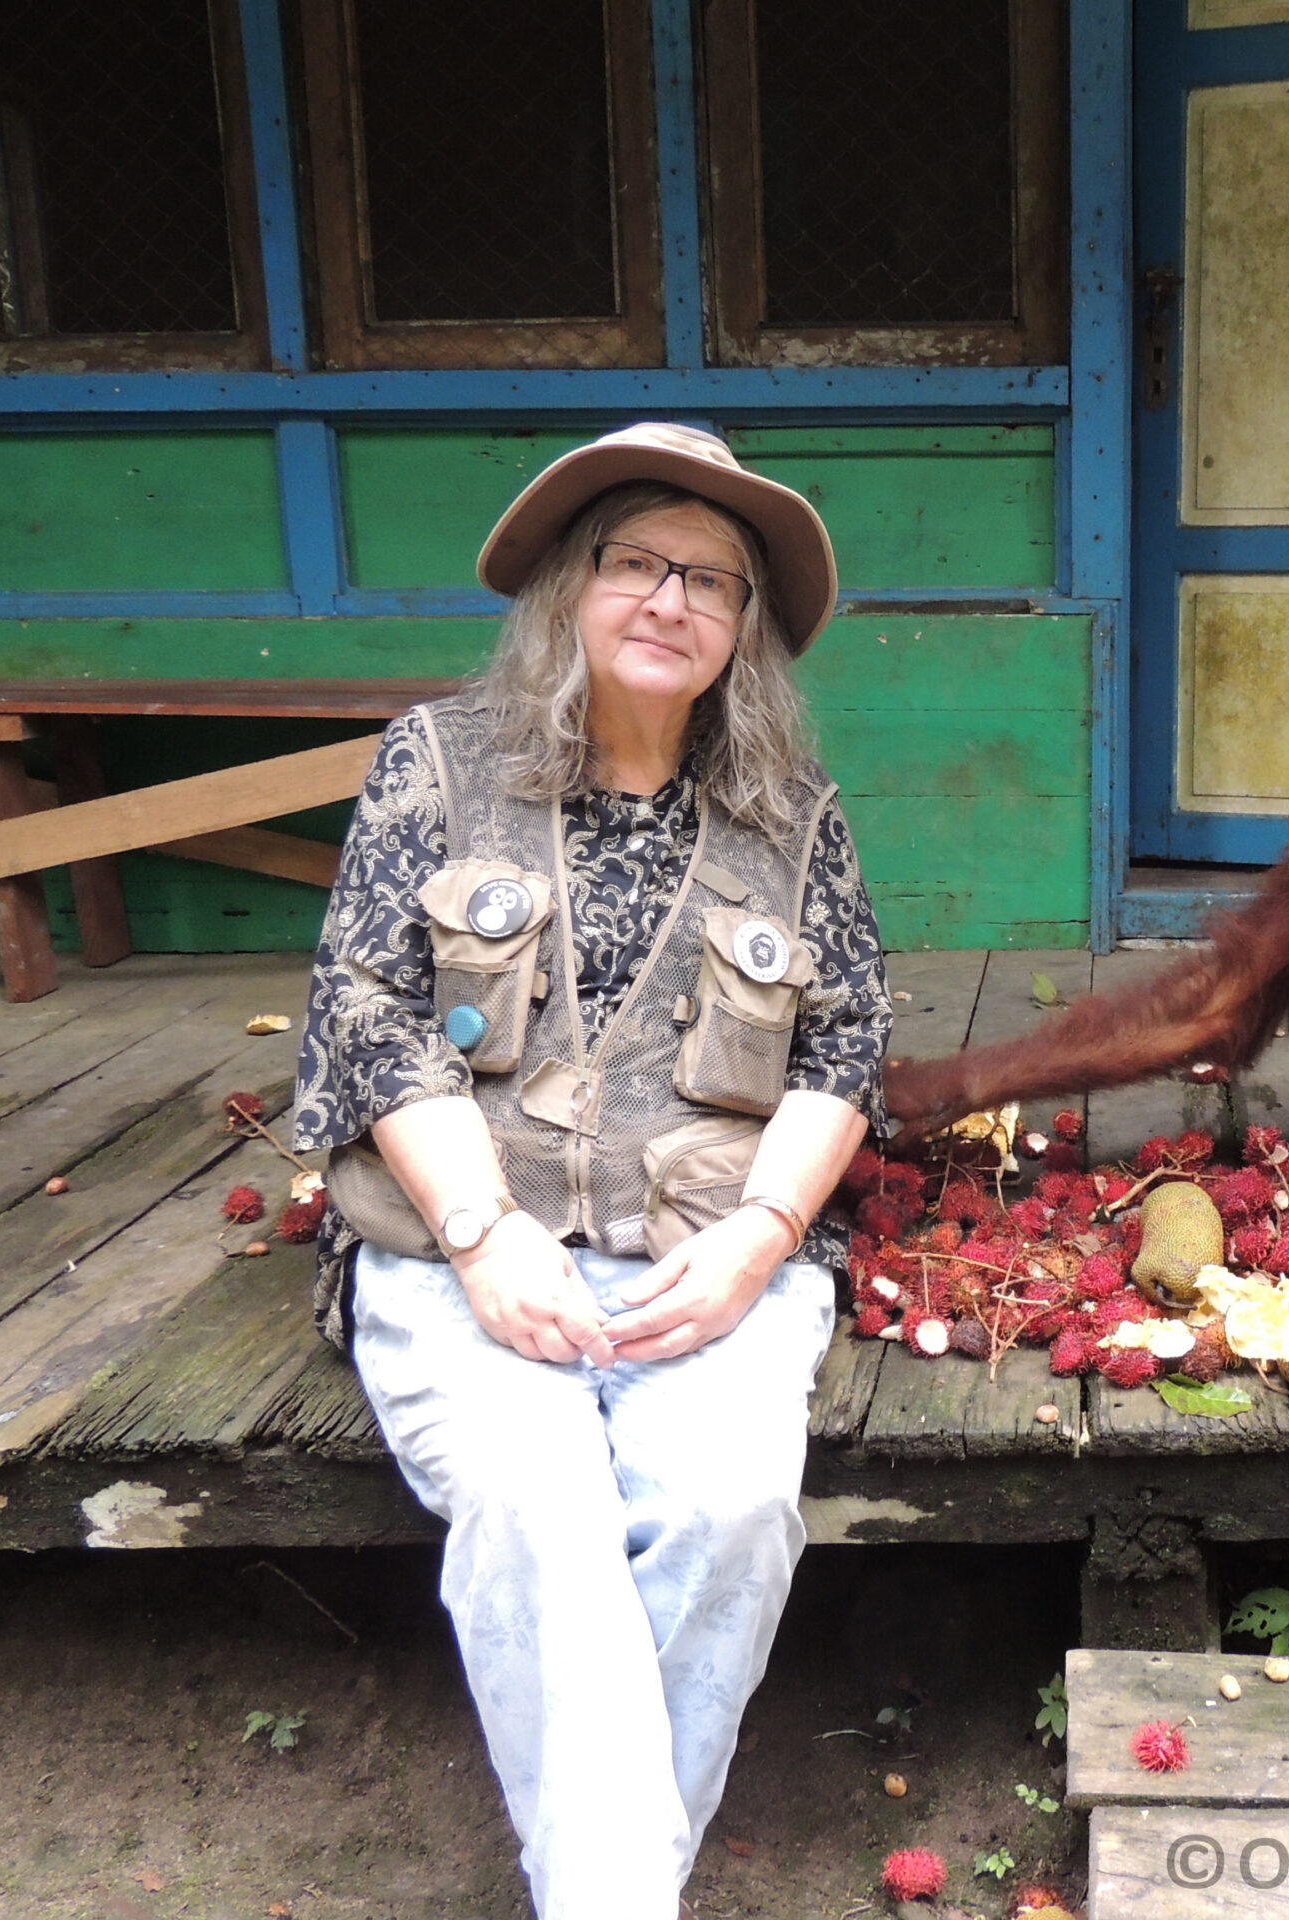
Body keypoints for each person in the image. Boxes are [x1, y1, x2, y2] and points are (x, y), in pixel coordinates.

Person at [290, 422, 889, 1918]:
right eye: (637, 560)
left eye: (714, 579)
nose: (670, 599)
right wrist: (485, 1233)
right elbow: (362, 1012)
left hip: (705, 1256)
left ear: (743, 633)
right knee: (538, 1502)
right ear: (572, 584)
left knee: (731, 1505)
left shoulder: (790, 820)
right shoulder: (437, 763)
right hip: (461, 1252)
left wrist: (762, 1235)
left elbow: (848, 1045)